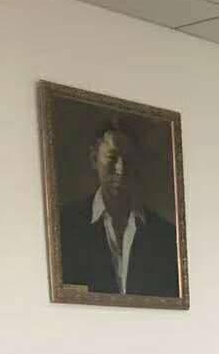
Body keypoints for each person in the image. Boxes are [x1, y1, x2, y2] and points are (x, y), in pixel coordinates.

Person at [58, 120, 179, 298]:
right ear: (94, 159)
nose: (120, 169)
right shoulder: (65, 226)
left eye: (128, 159)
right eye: (112, 158)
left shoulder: (166, 235)